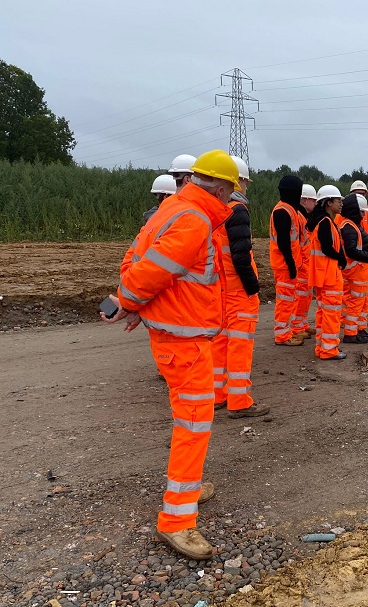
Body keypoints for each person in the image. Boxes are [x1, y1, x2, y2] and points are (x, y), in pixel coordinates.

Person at [101, 149, 240, 560]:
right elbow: (151, 270)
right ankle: (176, 520)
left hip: (175, 332)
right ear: (220, 187)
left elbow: (135, 259)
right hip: (186, 339)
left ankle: (189, 489)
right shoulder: (195, 221)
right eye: (232, 190)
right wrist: (129, 302)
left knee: (190, 418)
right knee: (194, 422)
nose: (232, 197)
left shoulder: (170, 210)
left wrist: (135, 305)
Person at [211, 156, 269, 419]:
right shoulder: (238, 210)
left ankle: (218, 395)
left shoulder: (215, 210)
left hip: (220, 289)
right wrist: (252, 287)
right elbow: (241, 253)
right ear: (239, 181)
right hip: (238, 291)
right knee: (240, 345)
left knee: (221, 342)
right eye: (245, 182)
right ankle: (239, 401)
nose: (246, 187)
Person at [307, 185, 348, 360]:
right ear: (329, 202)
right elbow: (327, 248)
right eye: (338, 201)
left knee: (323, 312)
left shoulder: (321, 220)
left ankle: (322, 347)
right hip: (329, 275)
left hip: (323, 274)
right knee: (331, 313)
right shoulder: (325, 222)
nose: (341, 204)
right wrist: (341, 257)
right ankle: (329, 349)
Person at [269, 176, 305, 346]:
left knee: (289, 299)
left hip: (289, 263)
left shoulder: (289, 210)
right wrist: (291, 264)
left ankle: (287, 331)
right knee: (285, 301)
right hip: (284, 265)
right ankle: (282, 335)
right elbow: (283, 242)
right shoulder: (282, 211)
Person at [338, 193, 368, 344]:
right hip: (355, 272)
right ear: (354, 210)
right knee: (355, 304)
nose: (363, 215)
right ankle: (350, 333)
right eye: (361, 212)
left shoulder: (351, 225)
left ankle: (359, 328)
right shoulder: (348, 227)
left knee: (365, 301)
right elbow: (351, 251)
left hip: (359, 272)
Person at [292, 183, 318, 341]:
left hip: (306, 264)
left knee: (306, 296)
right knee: (300, 296)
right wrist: (300, 263)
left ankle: (301, 324)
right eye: (313, 201)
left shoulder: (305, 217)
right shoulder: (298, 217)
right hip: (301, 264)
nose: (315, 204)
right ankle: (296, 326)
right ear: (304, 200)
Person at [350, 180, 368, 330]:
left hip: (364, 259)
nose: (360, 195)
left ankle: (359, 321)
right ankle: (352, 323)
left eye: (362, 193)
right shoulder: (345, 215)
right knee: (354, 296)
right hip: (355, 262)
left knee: (365, 296)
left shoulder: (366, 212)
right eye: (358, 193)